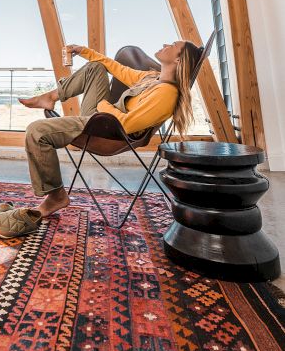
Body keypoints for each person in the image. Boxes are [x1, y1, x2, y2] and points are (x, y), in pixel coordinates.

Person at [19, 40, 203, 219]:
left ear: (179, 60)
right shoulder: (152, 79)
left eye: (172, 45)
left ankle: (55, 197)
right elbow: (115, 67)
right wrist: (83, 50)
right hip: (102, 121)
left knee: (37, 131)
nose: (165, 45)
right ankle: (51, 96)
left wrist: (102, 104)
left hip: (108, 135)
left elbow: (125, 126)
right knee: (96, 67)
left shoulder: (166, 94)